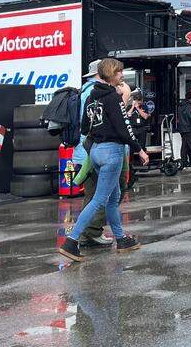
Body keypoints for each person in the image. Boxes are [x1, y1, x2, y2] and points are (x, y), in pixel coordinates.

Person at [58, 58, 147, 261]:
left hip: (95, 151)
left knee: (113, 197)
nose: (122, 76)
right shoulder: (112, 98)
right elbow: (123, 128)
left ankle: (121, 238)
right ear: (111, 74)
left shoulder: (91, 97)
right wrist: (139, 150)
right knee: (99, 199)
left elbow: (83, 127)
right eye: (119, 73)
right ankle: (71, 241)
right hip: (111, 152)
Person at [174, 91, 191, 167]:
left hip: (182, 128)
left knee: (184, 147)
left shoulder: (181, 105)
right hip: (189, 128)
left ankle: (184, 163)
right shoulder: (189, 105)